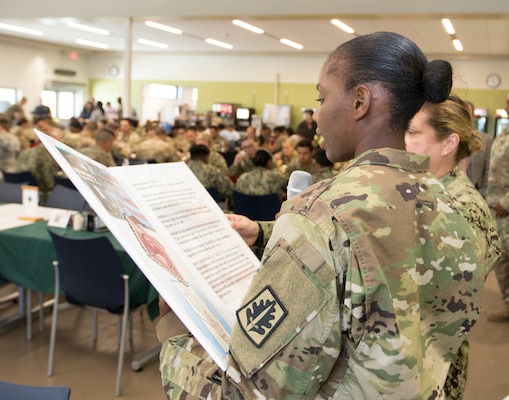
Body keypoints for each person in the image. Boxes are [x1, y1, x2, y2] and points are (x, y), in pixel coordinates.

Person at [157, 32, 486, 399]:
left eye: (322, 98)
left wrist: (175, 333)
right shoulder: (452, 207)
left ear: (360, 101)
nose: (315, 116)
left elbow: (251, 393)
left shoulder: (320, 214)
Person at [405, 94, 501, 399]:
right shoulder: (423, 187)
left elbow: (441, 310)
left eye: (413, 132)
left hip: (430, 370)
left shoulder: (459, 209)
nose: (402, 140)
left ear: (448, 144)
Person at [485, 91, 509, 322]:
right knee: (502, 260)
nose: (507, 105)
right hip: (497, 211)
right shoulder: (503, 134)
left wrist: (506, 202)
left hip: (506, 207)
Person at [463, 100, 493, 198]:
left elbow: (488, 169)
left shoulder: (486, 140)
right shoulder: (450, 139)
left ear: (473, 117)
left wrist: (483, 194)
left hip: (476, 193)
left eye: (467, 113)